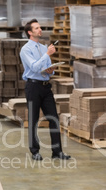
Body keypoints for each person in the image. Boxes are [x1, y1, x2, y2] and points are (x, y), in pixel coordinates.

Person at [20, 19, 70, 161]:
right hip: (33, 87)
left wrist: (51, 70)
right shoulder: (26, 50)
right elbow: (35, 67)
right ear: (30, 32)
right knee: (33, 119)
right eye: (36, 28)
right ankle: (35, 151)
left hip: (45, 86)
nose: (40, 30)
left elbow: (48, 69)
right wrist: (47, 54)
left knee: (53, 118)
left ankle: (57, 152)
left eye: (40, 27)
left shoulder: (43, 48)